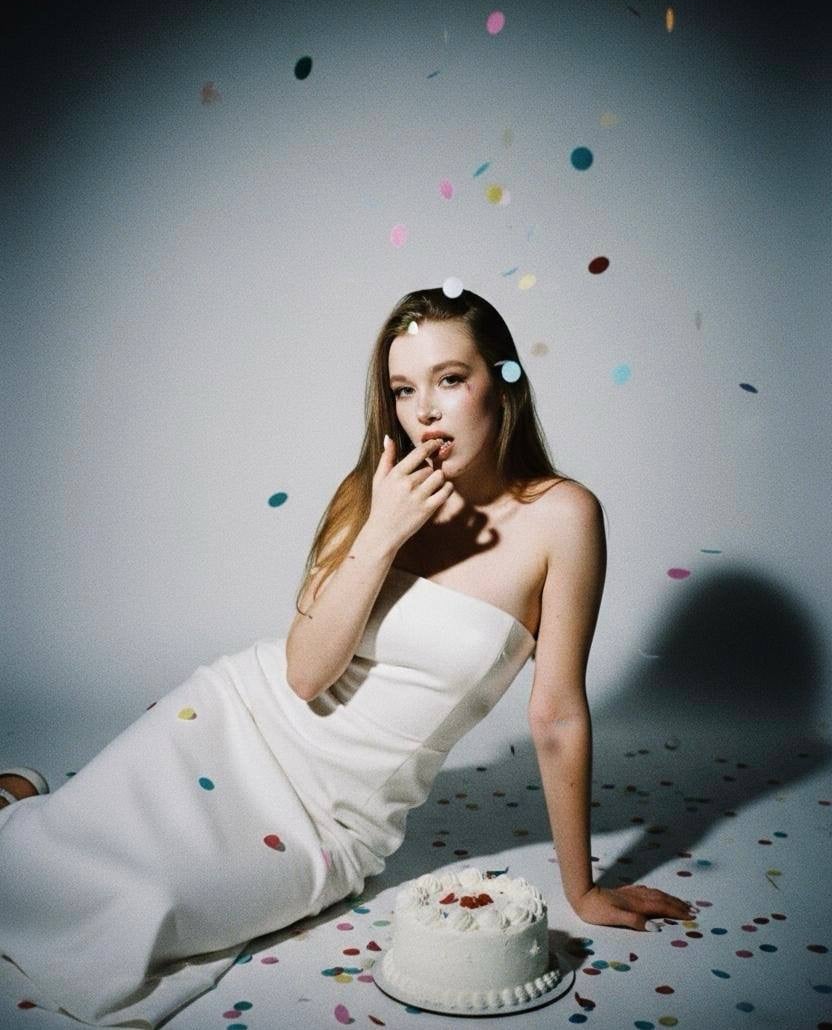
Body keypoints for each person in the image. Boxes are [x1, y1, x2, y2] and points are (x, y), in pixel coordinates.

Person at [1, 287, 694, 1027]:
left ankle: (20, 800)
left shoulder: (563, 517)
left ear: (503, 381)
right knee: (40, 865)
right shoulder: (372, 491)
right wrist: (384, 528)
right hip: (234, 722)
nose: (425, 411)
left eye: (450, 379)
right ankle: (23, 805)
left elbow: (555, 714)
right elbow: (304, 675)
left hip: (331, 822)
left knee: (142, 911)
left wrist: (582, 890)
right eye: (403, 389)